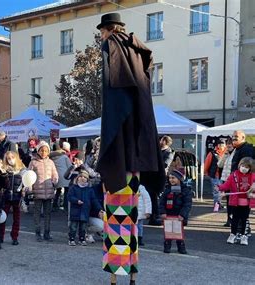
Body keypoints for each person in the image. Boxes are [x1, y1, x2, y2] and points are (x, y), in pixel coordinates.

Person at [96, 13, 165, 285]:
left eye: (102, 32)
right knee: (130, 223)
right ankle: (132, 274)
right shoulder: (135, 49)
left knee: (116, 224)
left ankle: (116, 276)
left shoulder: (113, 46)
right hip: (134, 156)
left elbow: (114, 99)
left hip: (120, 162)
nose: (101, 37)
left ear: (108, 30)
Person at [217, 157, 255, 245]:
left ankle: (243, 236)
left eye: (247, 167)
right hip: (235, 202)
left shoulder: (252, 176)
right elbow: (227, 185)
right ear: (239, 165)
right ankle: (232, 234)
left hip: (246, 203)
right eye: (242, 166)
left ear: (250, 168)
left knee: (244, 219)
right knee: (234, 219)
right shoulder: (234, 175)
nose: (244, 168)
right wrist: (220, 188)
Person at [28, 141, 58, 242]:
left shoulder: (51, 162)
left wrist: (54, 181)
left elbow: (55, 174)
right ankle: (37, 232)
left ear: (48, 151)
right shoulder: (33, 162)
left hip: (49, 192)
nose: (43, 152)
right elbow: (29, 175)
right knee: (37, 213)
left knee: (47, 214)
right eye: (41, 150)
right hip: (37, 191)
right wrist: (30, 187)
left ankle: (47, 233)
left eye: (45, 151)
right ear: (38, 150)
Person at [159, 170, 192, 254]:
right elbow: (161, 202)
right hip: (168, 215)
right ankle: (167, 245)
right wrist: (162, 212)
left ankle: (181, 246)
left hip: (179, 216)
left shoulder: (185, 190)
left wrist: (182, 214)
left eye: (173, 178)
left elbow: (187, 204)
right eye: (169, 178)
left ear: (179, 179)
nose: (171, 180)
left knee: (178, 231)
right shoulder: (167, 189)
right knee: (168, 231)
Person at [67, 171, 101, 246]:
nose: (83, 178)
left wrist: (99, 209)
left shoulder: (89, 190)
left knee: (83, 227)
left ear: (87, 180)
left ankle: (82, 239)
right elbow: (69, 197)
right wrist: (76, 201)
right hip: (75, 211)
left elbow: (94, 200)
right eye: (81, 176)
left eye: (85, 177)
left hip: (85, 211)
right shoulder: (73, 188)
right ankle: (71, 239)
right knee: (73, 227)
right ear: (77, 178)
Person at [1, 151, 27, 245]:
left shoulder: (22, 170)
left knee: (17, 219)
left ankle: (14, 237)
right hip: (6, 197)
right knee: (2, 217)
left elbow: (26, 182)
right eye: (8, 158)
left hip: (17, 197)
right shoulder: (4, 170)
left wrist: (25, 190)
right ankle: (0, 236)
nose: (11, 160)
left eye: (12, 157)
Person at [204, 140, 226, 211]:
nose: (222, 146)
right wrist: (205, 172)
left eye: (223, 145)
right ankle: (216, 205)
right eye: (220, 144)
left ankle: (219, 203)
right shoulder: (212, 153)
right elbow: (207, 163)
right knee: (216, 190)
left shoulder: (227, 153)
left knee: (221, 190)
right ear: (217, 145)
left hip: (224, 175)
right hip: (215, 175)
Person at [218, 139, 236, 226]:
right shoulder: (226, 154)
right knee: (228, 201)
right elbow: (219, 164)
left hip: (233, 181)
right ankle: (229, 220)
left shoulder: (236, 153)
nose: (229, 146)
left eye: (231, 144)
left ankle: (233, 220)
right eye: (228, 144)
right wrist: (225, 154)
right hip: (225, 180)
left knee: (233, 201)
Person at [50, 143, 72, 211]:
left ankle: (55, 204)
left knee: (58, 190)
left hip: (56, 176)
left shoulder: (51, 158)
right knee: (66, 190)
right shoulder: (64, 156)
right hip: (65, 175)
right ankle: (65, 206)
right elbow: (70, 166)